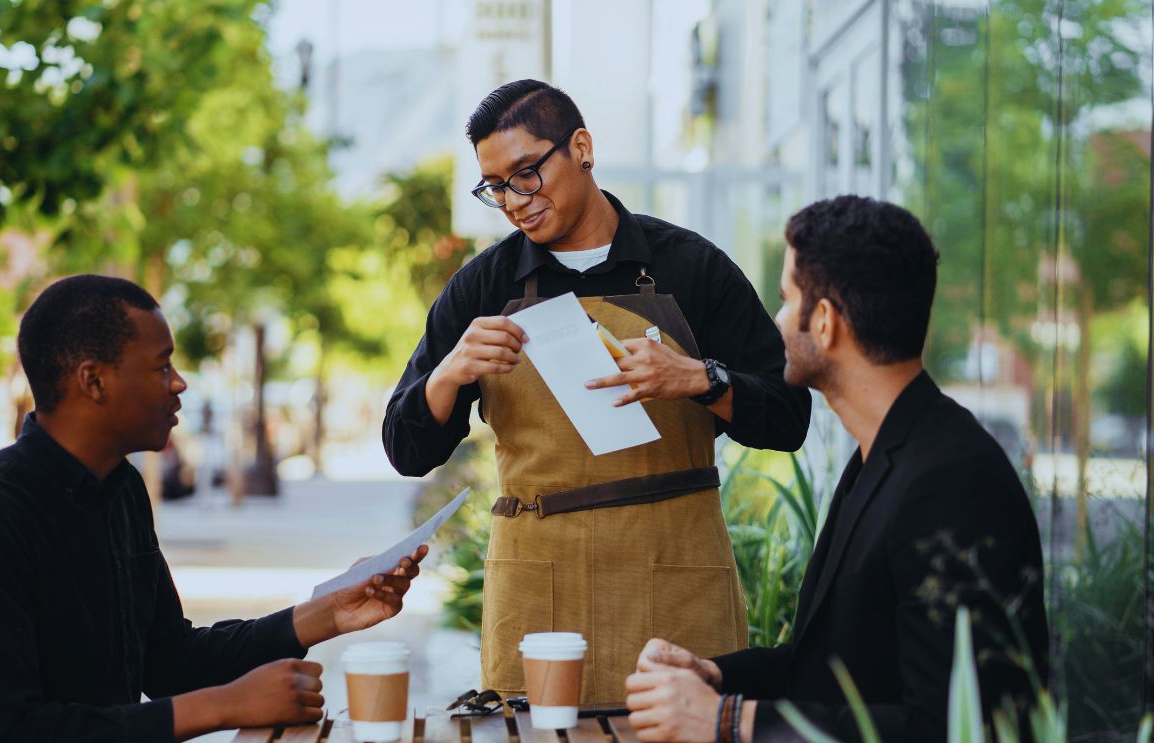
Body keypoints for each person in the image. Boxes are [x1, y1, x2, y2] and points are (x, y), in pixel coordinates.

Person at [383, 79, 811, 703]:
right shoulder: (482, 286)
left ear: (580, 147)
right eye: (495, 187)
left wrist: (701, 378)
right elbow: (405, 448)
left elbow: (788, 420)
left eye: (525, 173)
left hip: (677, 581)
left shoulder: (693, 268)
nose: (513, 201)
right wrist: (449, 374)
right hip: (537, 593)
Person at [0, 275, 428, 742]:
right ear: (93, 381)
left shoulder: (120, 489)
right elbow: (9, 730)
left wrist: (327, 613)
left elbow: (169, 660)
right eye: (161, 366)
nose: (180, 383)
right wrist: (226, 706)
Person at [623, 196, 1049, 742]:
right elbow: (834, 669)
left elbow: (957, 728)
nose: (778, 321)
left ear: (823, 322)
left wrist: (728, 720)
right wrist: (716, 675)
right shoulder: (886, 452)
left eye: (786, 300)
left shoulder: (950, 483)